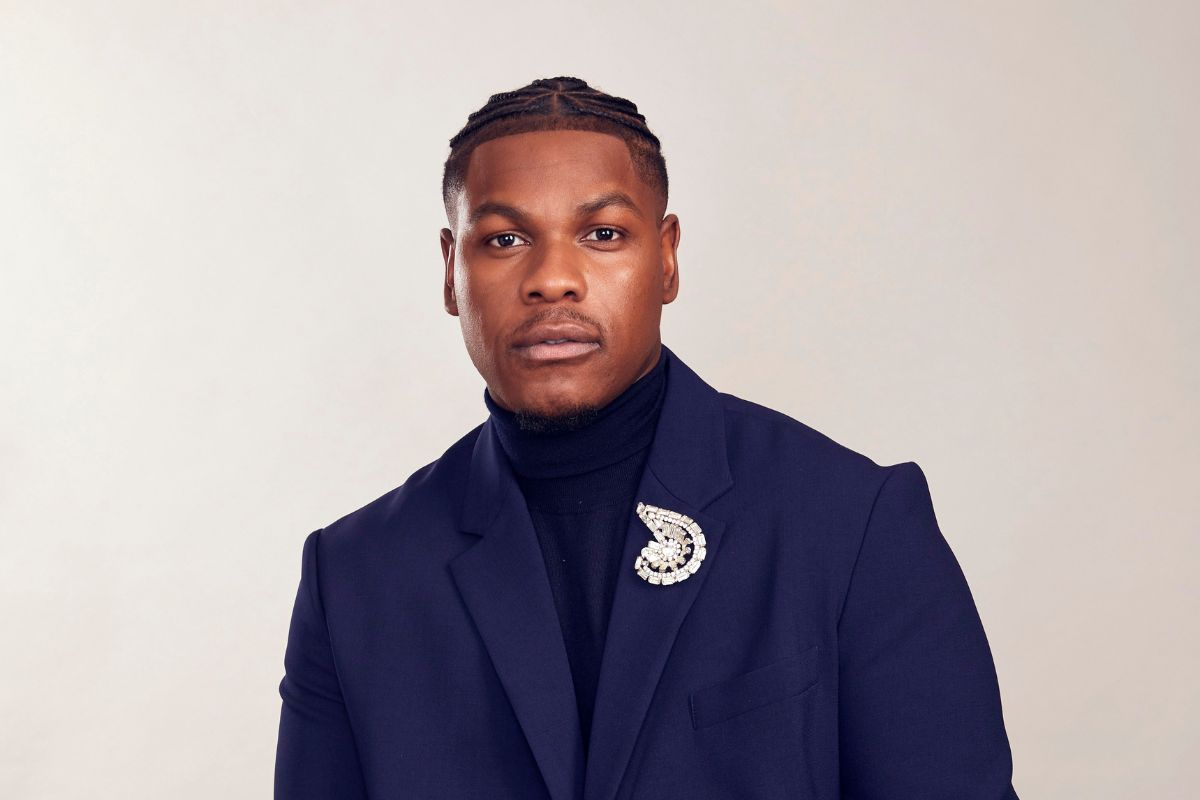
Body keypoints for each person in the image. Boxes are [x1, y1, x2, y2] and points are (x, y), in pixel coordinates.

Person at [274, 76, 1019, 800]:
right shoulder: (353, 579)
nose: (552, 279)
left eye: (602, 234)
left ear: (665, 258)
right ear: (450, 271)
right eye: (505, 238)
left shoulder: (853, 525)